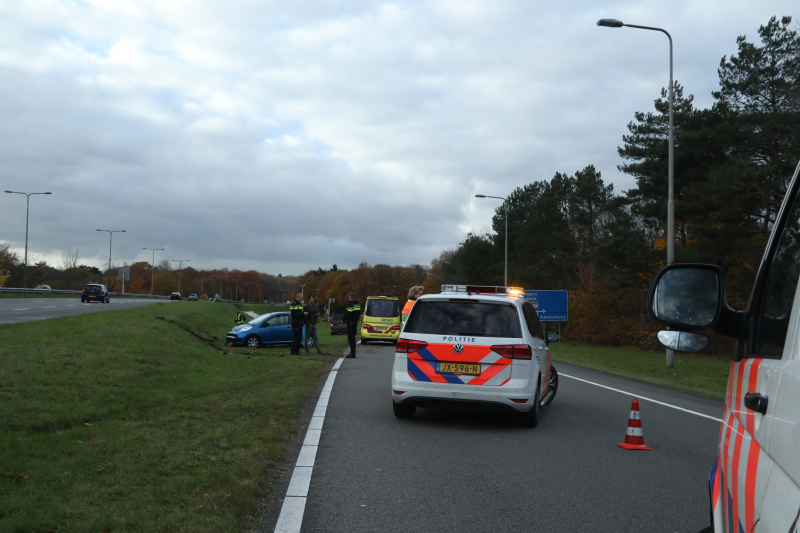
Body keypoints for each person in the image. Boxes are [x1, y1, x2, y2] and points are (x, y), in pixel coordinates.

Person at [343, 292, 361, 358]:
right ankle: (353, 352)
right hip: (355, 322)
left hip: (350, 322)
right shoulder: (357, 304)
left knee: (351, 338)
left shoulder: (351, 304)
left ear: (350, 298)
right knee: (353, 337)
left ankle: (352, 353)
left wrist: (343, 319)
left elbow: (347, 313)